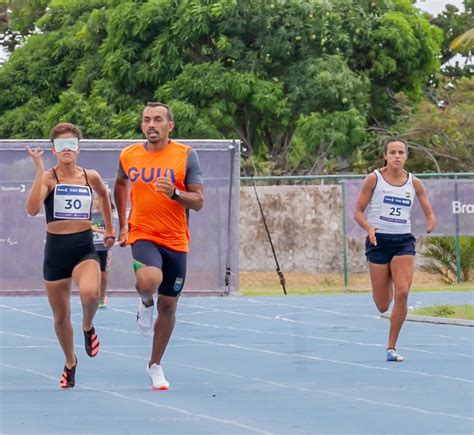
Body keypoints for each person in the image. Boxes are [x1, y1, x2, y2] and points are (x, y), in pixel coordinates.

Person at [114, 102, 204, 390]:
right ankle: (144, 302)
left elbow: (199, 201)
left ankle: (155, 365)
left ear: (170, 126)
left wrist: (175, 193)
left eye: (158, 120)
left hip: (176, 239)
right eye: (146, 120)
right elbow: (119, 183)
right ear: (142, 125)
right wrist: (123, 224)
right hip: (143, 232)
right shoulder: (129, 155)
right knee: (149, 279)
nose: (151, 124)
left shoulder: (186, 156)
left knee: (168, 306)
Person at [26, 123, 115, 388]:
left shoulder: (90, 176)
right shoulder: (49, 178)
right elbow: (31, 210)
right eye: (61, 145)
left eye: (71, 145)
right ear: (53, 150)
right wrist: (39, 172)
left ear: (79, 148)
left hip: (83, 247)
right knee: (61, 316)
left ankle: (88, 326)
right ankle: (69, 361)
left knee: (90, 294)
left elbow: (104, 195)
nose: (67, 150)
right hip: (55, 251)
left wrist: (110, 229)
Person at [354, 138, 436, 362]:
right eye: (393, 152)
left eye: (401, 152)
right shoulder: (374, 179)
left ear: (406, 156)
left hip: (403, 242)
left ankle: (391, 347)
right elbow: (358, 212)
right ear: (385, 156)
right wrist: (369, 227)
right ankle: (386, 276)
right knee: (382, 304)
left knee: (403, 292)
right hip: (378, 242)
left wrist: (430, 221)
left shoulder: (415, 183)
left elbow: (429, 211)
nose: (397, 156)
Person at [91, 192, 115, 308]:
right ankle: (92, 296)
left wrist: (98, 230)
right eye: (95, 200)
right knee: (91, 273)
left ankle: (102, 297)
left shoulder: (108, 216)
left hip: (104, 249)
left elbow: (111, 232)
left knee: (103, 274)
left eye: (98, 200)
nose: (96, 202)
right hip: (91, 249)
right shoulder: (91, 215)